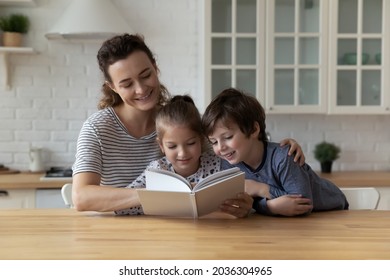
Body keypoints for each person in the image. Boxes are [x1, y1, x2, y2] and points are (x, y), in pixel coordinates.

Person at [72, 33, 304, 216]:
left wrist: (277, 152)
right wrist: (158, 196)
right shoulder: (97, 129)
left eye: (145, 75)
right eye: (127, 84)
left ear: (155, 67)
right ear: (112, 87)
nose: (141, 89)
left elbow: (234, 155)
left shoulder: (179, 121)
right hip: (119, 234)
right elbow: (82, 198)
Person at [201, 88, 349, 216]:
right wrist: (269, 206)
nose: (220, 148)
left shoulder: (284, 157)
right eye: (213, 142)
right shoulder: (229, 163)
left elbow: (303, 205)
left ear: (253, 129)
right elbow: (249, 205)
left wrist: (260, 189)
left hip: (334, 213)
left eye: (227, 137)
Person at [116, 95, 253, 217]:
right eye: (172, 146)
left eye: (191, 143)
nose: (182, 153)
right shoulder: (156, 170)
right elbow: (120, 206)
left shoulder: (218, 164)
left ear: (201, 139)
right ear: (161, 146)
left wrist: (245, 208)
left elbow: (242, 201)